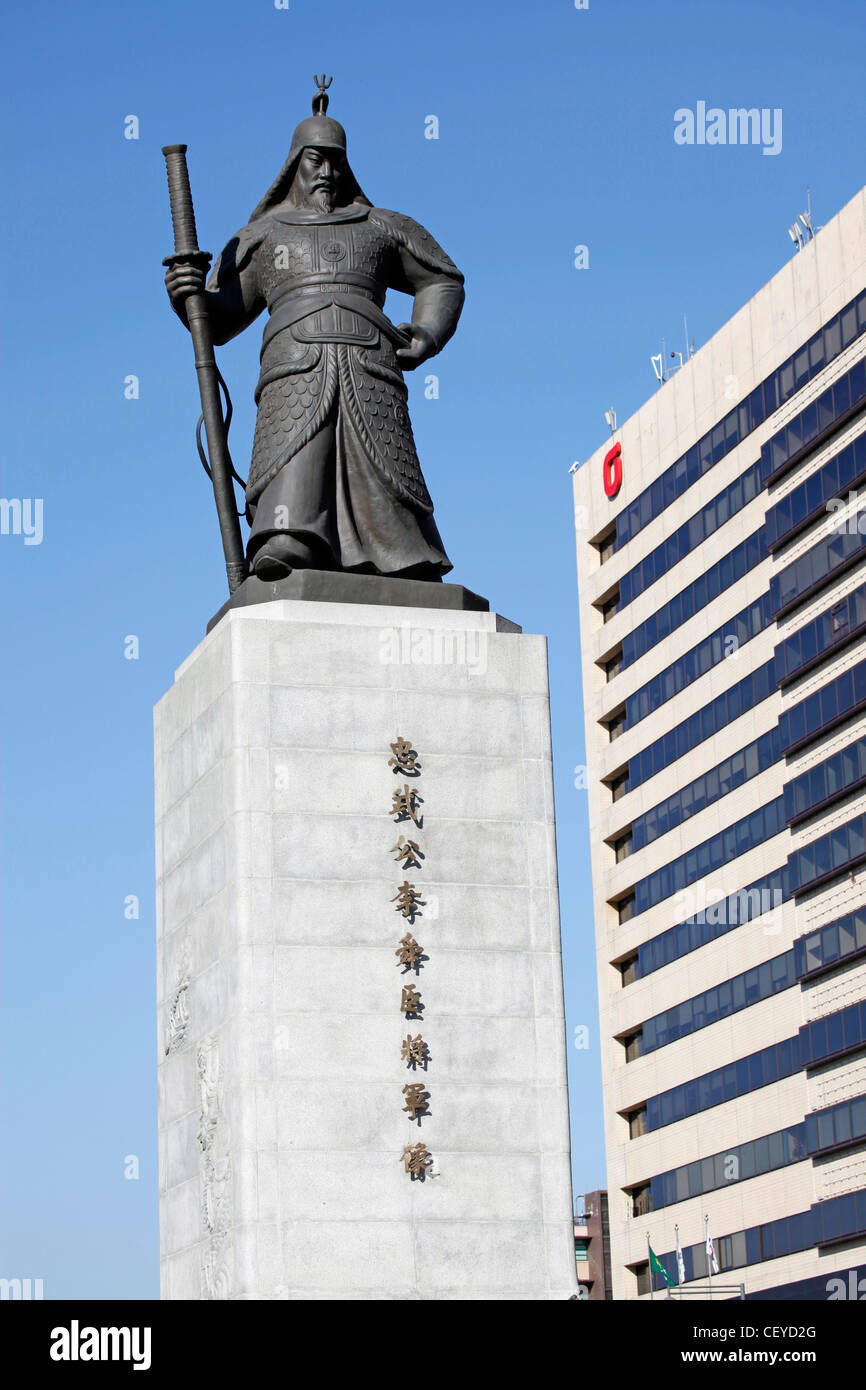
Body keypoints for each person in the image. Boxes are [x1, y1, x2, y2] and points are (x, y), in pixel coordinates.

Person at [165, 83, 465, 582]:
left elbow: (441, 277)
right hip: (294, 369)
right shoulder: (259, 237)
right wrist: (188, 295)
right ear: (293, 165)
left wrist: (428, 333)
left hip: (369, 364)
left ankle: (401, 554)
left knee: (385, 474)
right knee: (295, 465)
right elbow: (218, 321)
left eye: (335, 162)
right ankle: (290, 539)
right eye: (314, 161)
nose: (326, 172)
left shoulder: (381, 226)